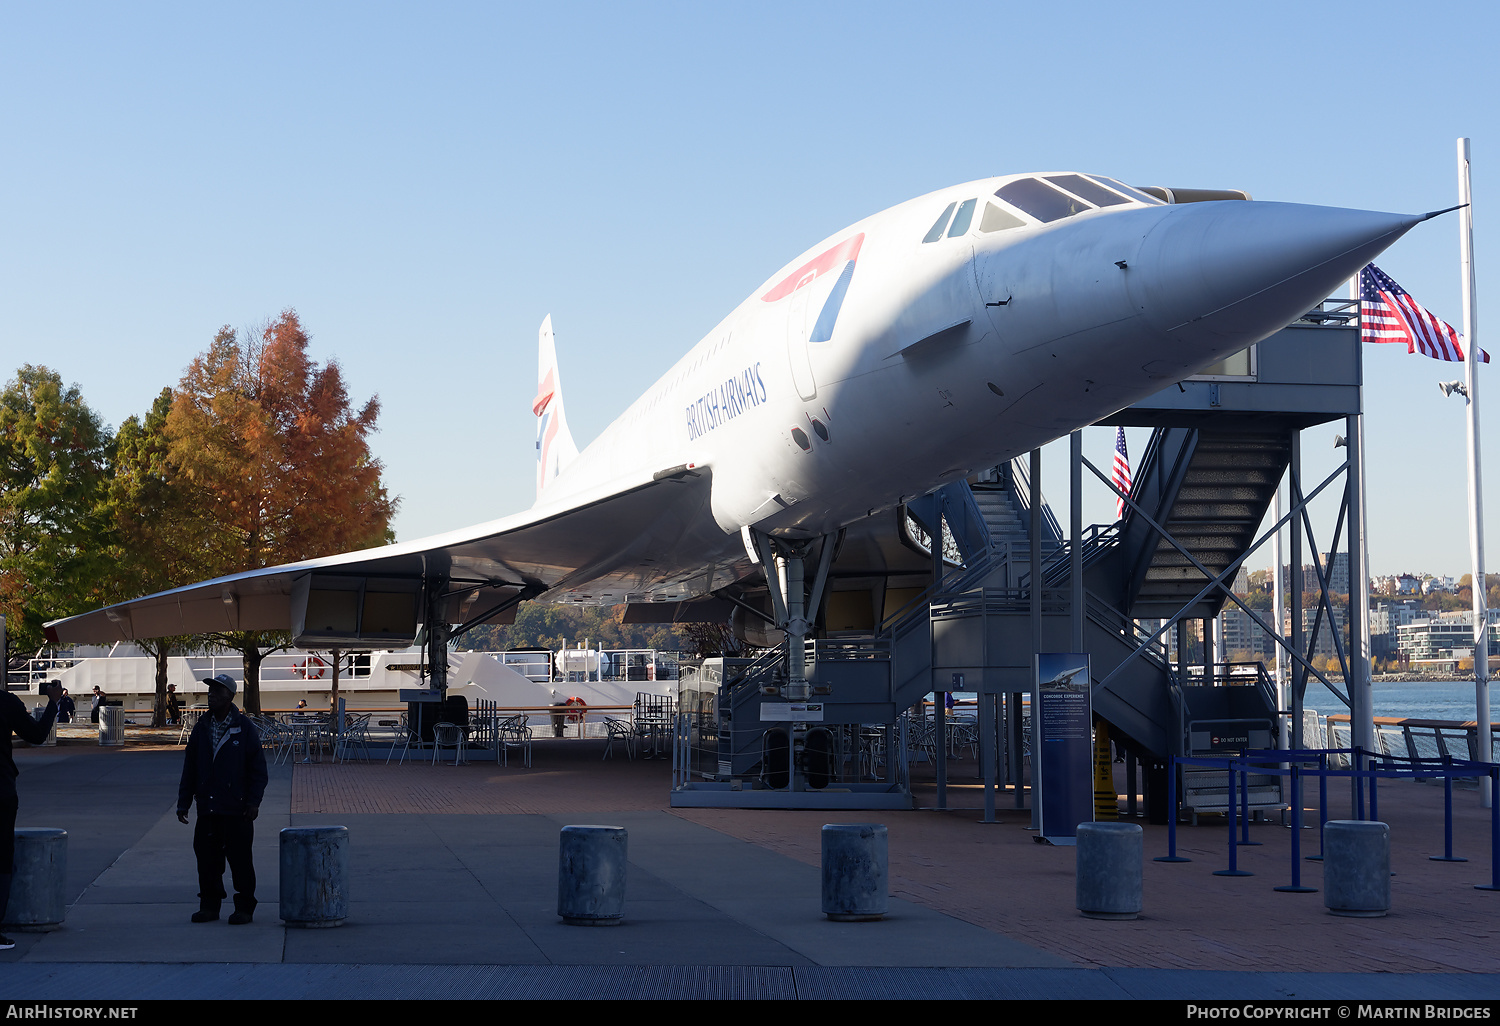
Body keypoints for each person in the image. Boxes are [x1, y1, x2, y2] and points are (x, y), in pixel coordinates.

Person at [177, 673, 267, 925]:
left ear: (230, 696)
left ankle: (244, 907)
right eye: (210, 691)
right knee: (207, 861)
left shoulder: (244, 728)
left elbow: (258, 770)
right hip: (208, 808)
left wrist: (253, 802)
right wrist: (184, 802)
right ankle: (209, 905)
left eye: (217, 691)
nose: (211, 695)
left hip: (237, 810)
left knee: (240, 862)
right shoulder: (201, 728)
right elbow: (190, 768)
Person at [1, 681, 61, 949]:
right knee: (1, 860)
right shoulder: (6, 702)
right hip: (0, 791)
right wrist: (53, 702)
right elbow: (36, 735)